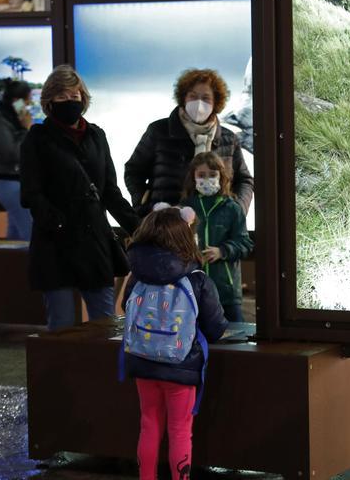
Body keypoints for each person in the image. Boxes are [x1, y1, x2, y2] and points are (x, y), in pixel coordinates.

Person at [19, 65, 139, 331]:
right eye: (62, 96)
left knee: (104, 323)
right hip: (55, 243)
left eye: (75, 96)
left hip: (94, 240)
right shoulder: (37, 139)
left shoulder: (97, 135)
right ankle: (63, 374)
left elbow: (110, 191)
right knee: (61, 326)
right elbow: (30, 194)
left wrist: (140, 228)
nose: (70, 101)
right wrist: (56, 223)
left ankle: (102, 374)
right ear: (49, 101)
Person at [121, 207, 227, 480]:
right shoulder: (196, 279)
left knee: (149, 425)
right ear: (185, 238)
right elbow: (215, 328)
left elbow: (125, 307)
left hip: (142, 362)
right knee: (179, 430)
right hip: (181, 366)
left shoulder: (136, 275)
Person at [125, 68, 254, 217]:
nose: (199, 103)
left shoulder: (229, 139)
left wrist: (237, 210)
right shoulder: (159, 131)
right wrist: (146, 207)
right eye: (193, 96)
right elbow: (134, 171)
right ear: (183, 98)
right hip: (166, 226)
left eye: (206, 98)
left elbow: (244, 180)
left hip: (216, 229)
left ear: (216, 102)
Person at [182, 152, 253, 322]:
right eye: (201, 175)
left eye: (212, 175)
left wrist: (222, 251)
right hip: (193, 289)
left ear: (222, 176)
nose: (207, 179)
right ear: (193, 177)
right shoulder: (186, 208)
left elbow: (245, 243)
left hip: (226, 291)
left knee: (236, 338)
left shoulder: (232, 208)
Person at [0, 78, 33, 240]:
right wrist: (26, 130)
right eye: (26, 101)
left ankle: (9, 264)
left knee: (15, 234)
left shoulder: (13, 120)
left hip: (20, 181)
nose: (28, 105)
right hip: (9, 182)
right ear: (16, 101)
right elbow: (12, 155)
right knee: (29, 233)